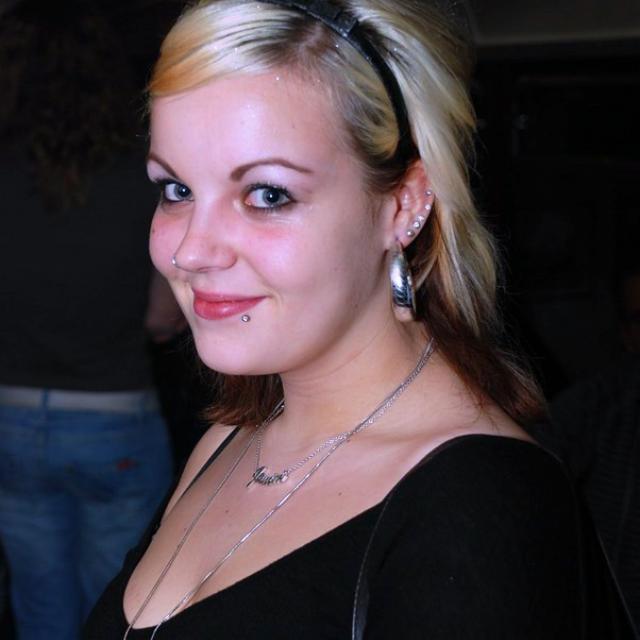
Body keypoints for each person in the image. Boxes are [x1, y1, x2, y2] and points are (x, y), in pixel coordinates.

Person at [85, 1, 635, 638]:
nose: (190, 252)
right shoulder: (227, 441)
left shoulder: (478, 504)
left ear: (403, 205)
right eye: (176, 190)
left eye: (267, 194)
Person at [0, 2, 180, 638]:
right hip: (113, 414)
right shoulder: (146, 175)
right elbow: (162, 318)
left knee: (40, 612)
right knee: (121, 615)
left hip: (10, 418)